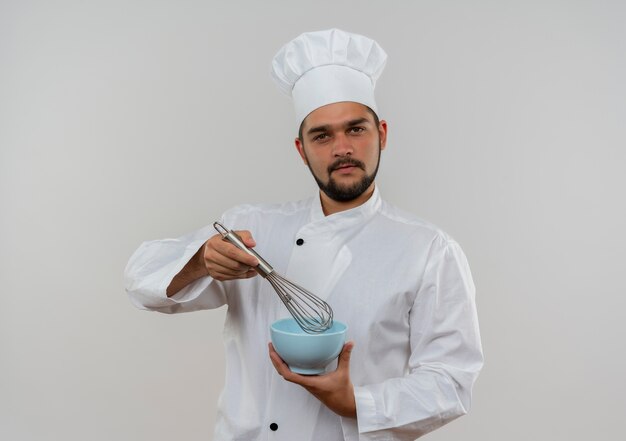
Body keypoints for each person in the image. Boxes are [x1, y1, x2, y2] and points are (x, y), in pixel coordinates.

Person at [125, 28, 483, 441]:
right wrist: (199, 261)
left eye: (356, 129)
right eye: (322, 135)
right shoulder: (252, 230)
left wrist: (356, 403)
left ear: (382, 134)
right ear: (301, 149)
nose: (342, 148)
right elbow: (140, 283)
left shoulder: (430, 251)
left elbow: (451, 381)